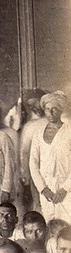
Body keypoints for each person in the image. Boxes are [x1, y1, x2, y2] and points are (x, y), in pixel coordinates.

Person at [29, 91, 71, 224]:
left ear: (60, 111)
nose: (51, 113)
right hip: (47, 191)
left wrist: (65, 188)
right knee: (50, 226)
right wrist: (43, 188)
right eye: (47, 109)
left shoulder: (69, 130)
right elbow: (33, 163)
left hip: (66, 190)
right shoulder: (38, 133)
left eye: (54, 109)